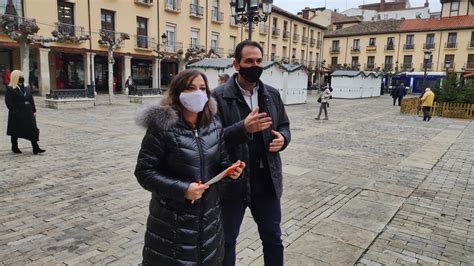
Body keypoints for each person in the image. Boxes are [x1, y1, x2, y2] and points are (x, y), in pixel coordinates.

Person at [134, 69, 245, 265]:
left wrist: (231, 171)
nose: (198, 93)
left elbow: (222, 160)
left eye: (203, 88)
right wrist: (183, 189)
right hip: (172, 227)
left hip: (209, 222)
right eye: (191, 88)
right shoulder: (162, 127)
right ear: (178, 92)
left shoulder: (214, 125)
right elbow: (144, 172)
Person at [212, 40, 291, 266]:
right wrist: (243, 128)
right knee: (226, 242)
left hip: (267, 182)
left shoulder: (272, 95)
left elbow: (285, 125)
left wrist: (283, 139)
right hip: (233, 182)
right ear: (236, 64)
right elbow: (211, 139)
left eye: (259, 61)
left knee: (273, 240)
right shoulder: (218, 98)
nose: (255, 65)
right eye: (249, 61)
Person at [5, 70, 45, 154]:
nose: (21, 78)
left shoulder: (26, 87)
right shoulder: (10, 88)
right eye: (20, 76)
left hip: (28, 111)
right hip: (17, 112)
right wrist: (15, 111)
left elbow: (31, 99)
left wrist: (33, 110)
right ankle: (14, 147)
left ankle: (35, 147)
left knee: (32, 129)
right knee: (15, 131)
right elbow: (8, 102)